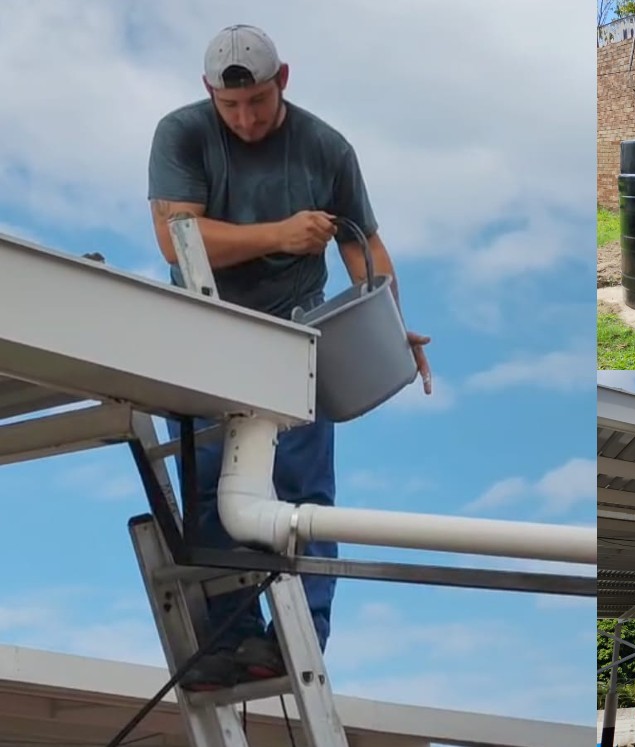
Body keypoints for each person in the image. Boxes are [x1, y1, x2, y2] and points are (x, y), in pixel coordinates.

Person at [146, 23, 432, 691]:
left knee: (303, 500)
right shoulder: (182, 135)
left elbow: (365, 251)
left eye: (260, 103)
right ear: (209, 93)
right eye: (231, 106)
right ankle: (232, 637)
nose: (246, 119)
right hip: (206, 333)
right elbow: (176, 239)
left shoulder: (325, 147)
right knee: (211, 492)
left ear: (285, 80)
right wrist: (281, 233)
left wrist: (393, 327)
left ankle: (303, 639)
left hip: (295, 340)